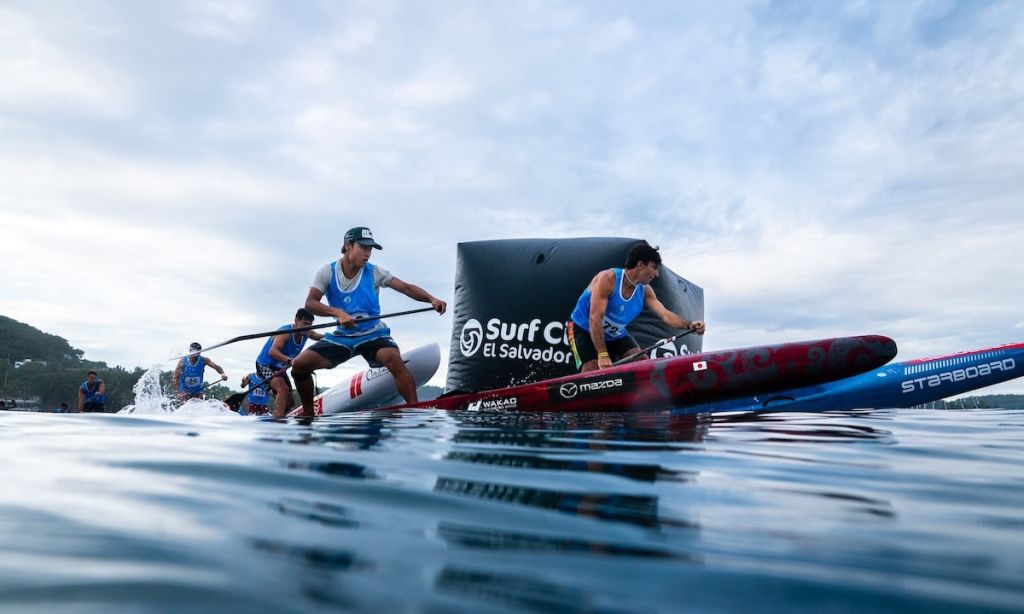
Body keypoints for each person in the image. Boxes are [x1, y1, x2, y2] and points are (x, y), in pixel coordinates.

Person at [291, 226, 447, 417]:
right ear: (348, 246)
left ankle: (414, 411)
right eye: (363, 247)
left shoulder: (375, 272)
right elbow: (310, 304)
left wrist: (432, 299)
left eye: (370, 249)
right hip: (343, 337)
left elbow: (405, 287)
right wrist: (337, 312)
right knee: (299, 366)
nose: (368, 253)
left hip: (374, 334)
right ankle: (308, 414)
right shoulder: (327, 272)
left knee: (393, 359)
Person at [567, 241, 706, 373]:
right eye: (654, 267)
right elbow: (594, 318)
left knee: (642, 362)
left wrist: (689, 325)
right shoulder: (608, 279)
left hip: (615, 335)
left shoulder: (645, 290)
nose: (656, 274)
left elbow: (665, 315)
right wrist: (603, 354)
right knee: (592, 368)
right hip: (583, 329)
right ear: (640, 264)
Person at [254, 308, 323, 417]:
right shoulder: (285, 333)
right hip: (265, 365)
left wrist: (336, 335)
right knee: (282, 389)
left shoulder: (307, 332)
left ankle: (275, 410)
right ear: (296, 320)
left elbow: (320, 336)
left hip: (279, 368)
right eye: (304, 323)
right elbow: (272, 352)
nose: (307, 327)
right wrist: (289, 360)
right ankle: (278, 421)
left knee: (290, 403)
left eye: (309, 324)